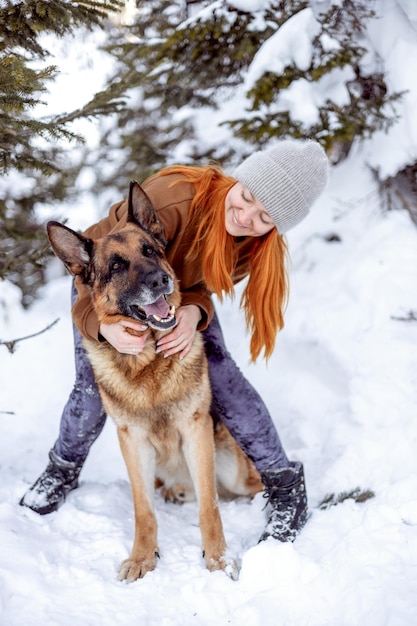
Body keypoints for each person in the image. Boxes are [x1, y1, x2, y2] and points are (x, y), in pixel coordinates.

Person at [20, 139, 329, 543]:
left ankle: (283, 482)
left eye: (265, 215)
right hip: (106, 292)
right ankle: (62, 469)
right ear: (239, 178)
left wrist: (194, 314)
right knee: (91, 391)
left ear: (277, 226)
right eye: (248, 196)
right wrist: (102, 326)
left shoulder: (253, 246)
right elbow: (91, 269)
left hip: (172, 295)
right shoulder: (171, 202)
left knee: (222, 372)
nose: (247, 214)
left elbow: (202, 285)